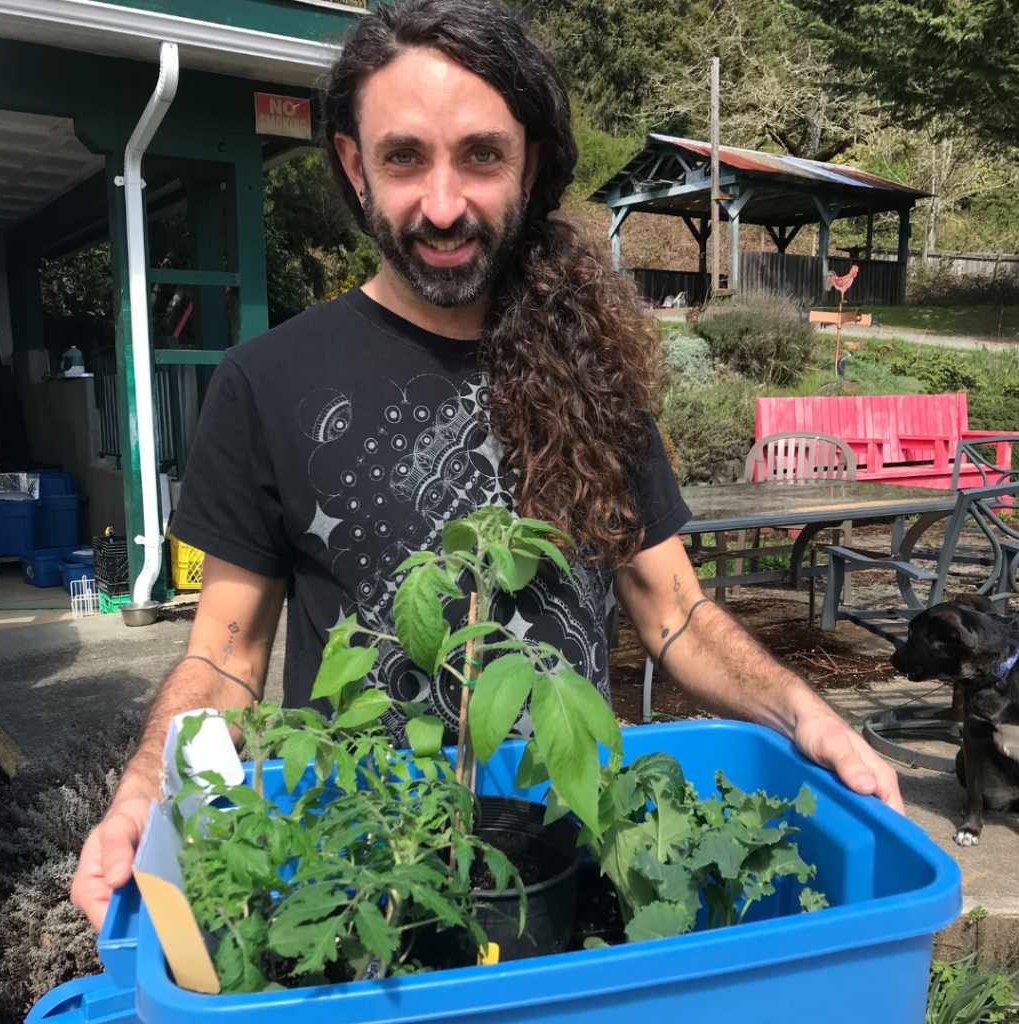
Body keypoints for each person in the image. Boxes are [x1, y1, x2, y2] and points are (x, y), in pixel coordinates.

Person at [71, 0, 902, 931]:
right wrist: (150, 784)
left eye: (480, 155)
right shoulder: (265, 382)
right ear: (353, 163)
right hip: (368, 887)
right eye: (403, 158)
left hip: (573, 864)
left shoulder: (590, 364)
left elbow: (674, 614)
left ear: (530, 163)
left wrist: (805, 716)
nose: (442, 204)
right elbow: (224, 659)